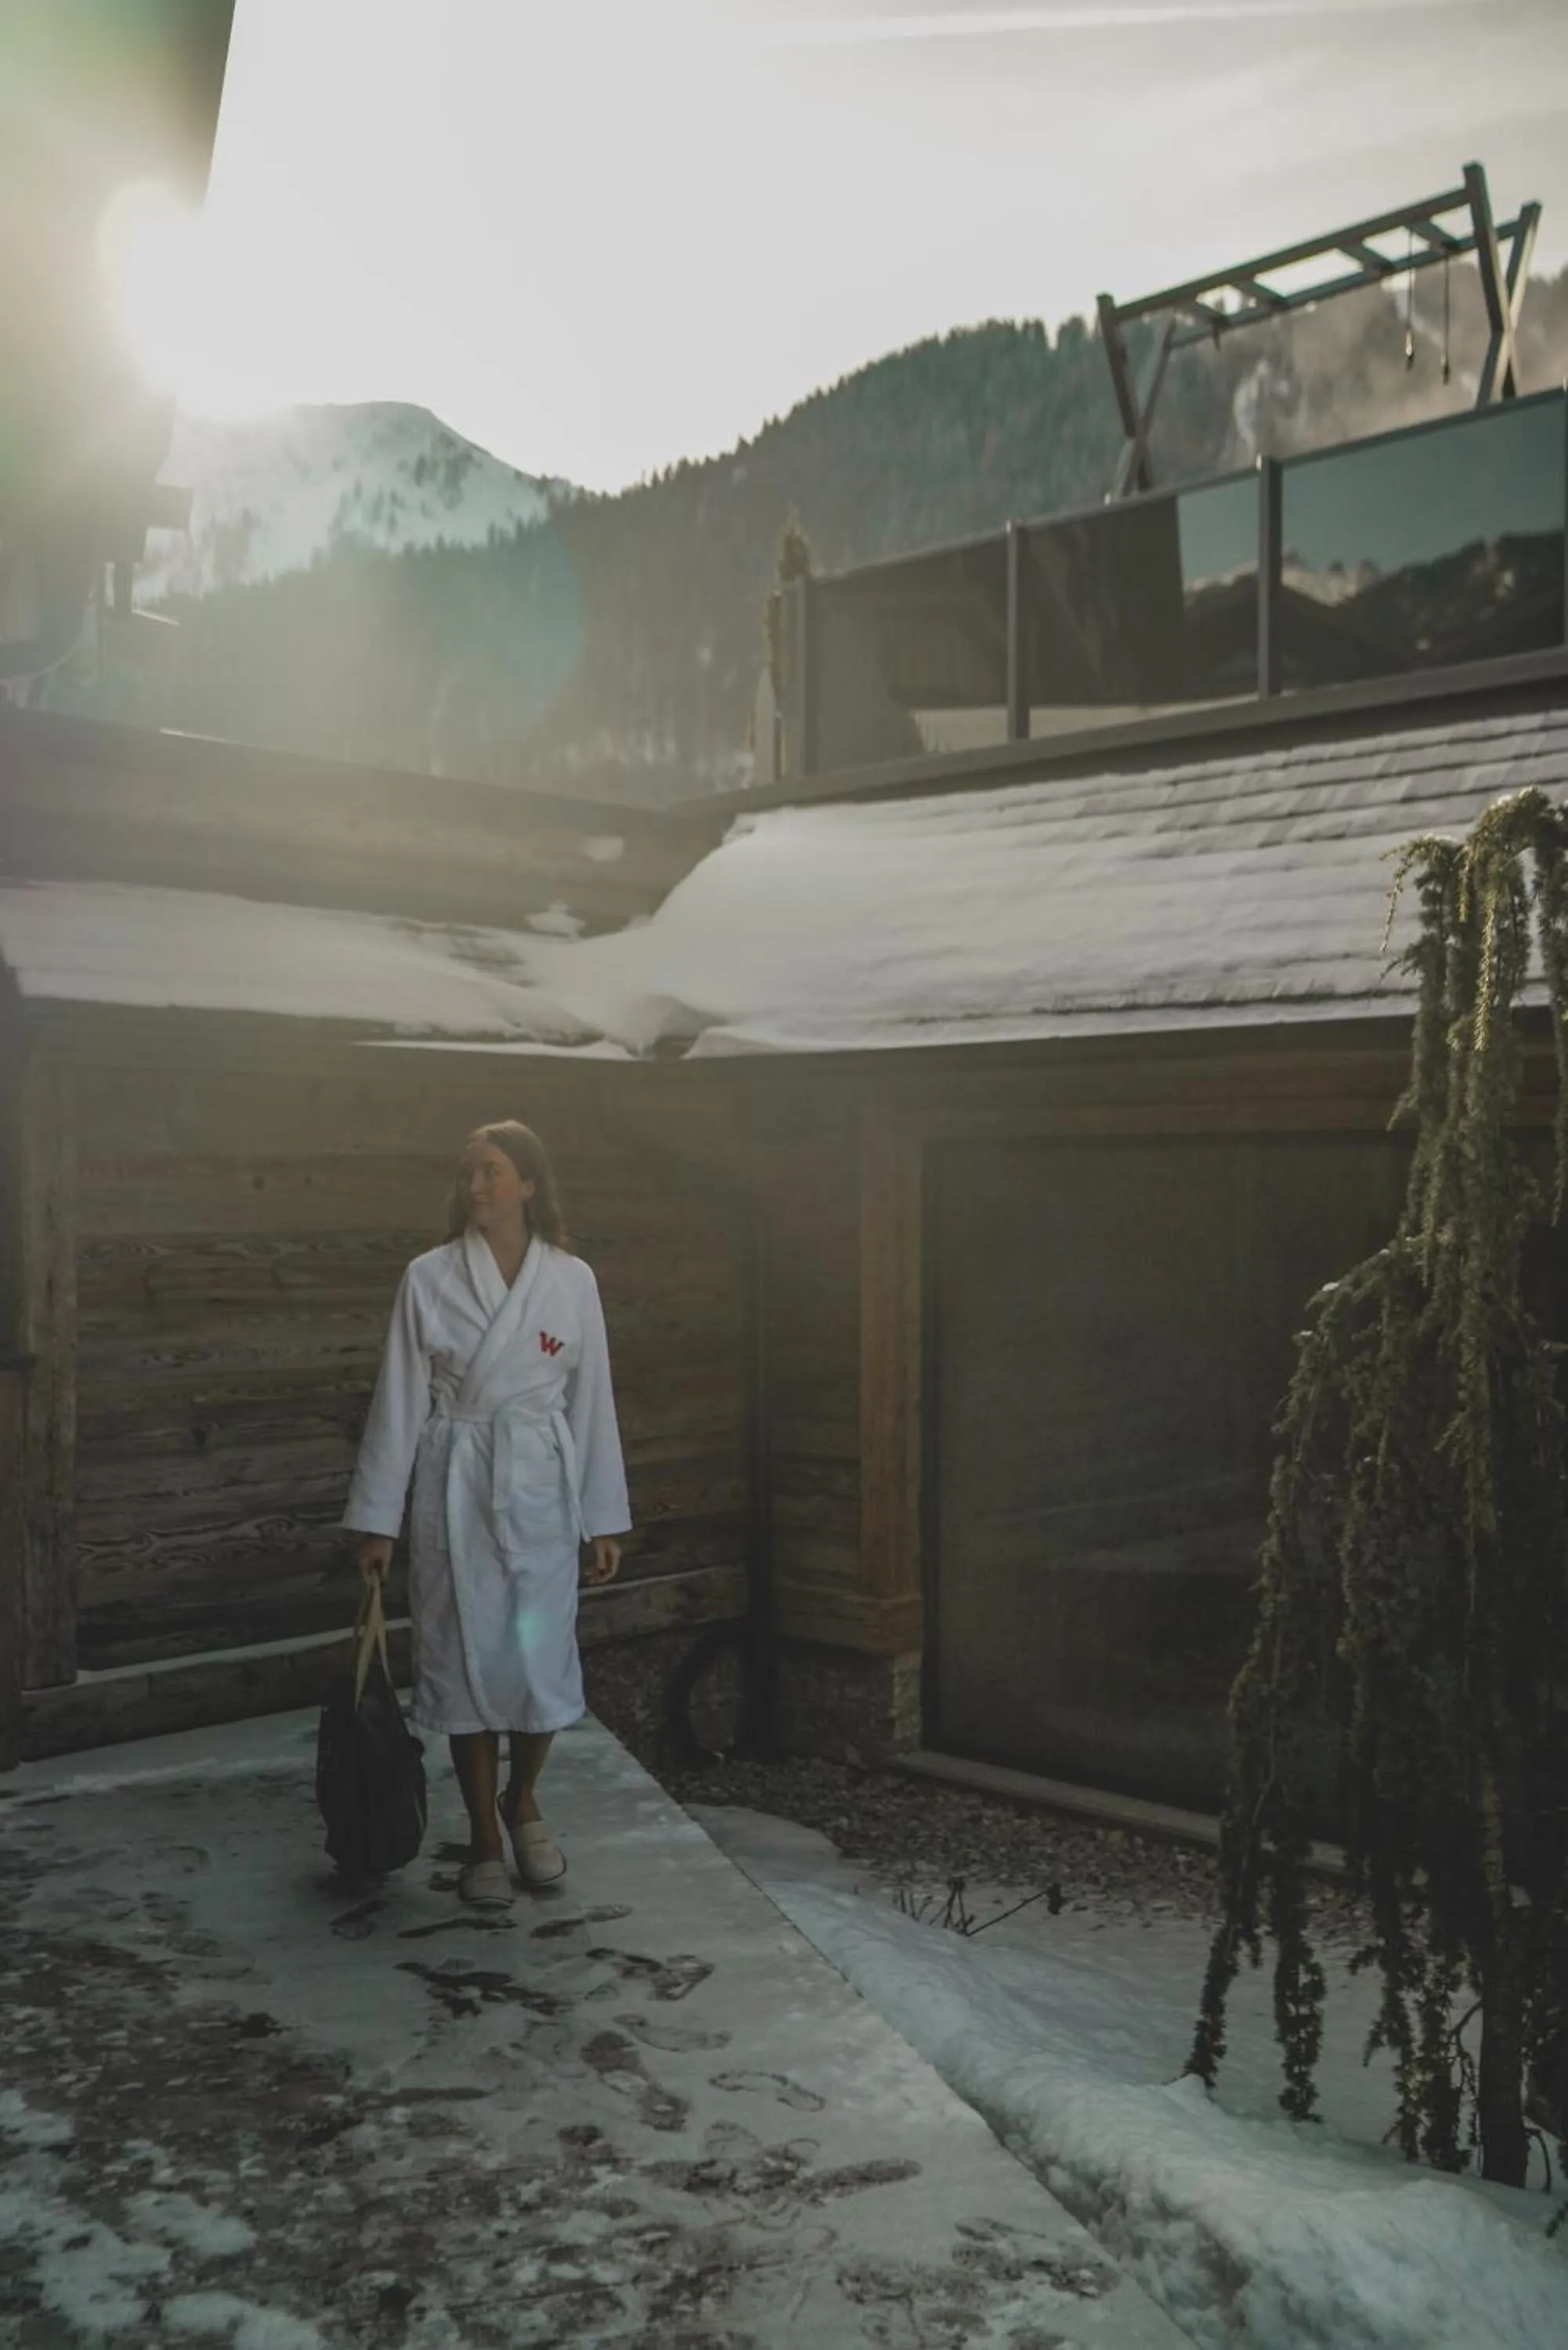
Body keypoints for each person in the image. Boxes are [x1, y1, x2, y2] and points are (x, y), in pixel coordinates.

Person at [344, 1121, 629, 1907]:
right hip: (457, 1482)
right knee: (466, 1657)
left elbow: (591, 1400)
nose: (476, 1186)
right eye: (468, 1172)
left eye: (492, 1171)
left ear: (528, 1185)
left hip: (540, 1484)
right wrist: (378, 1520)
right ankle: (482, 1838)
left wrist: (603, 1517)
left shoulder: (571, 1280)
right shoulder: (429, 1277)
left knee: (539, 1661)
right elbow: (399, 1401)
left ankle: (522, 1798)